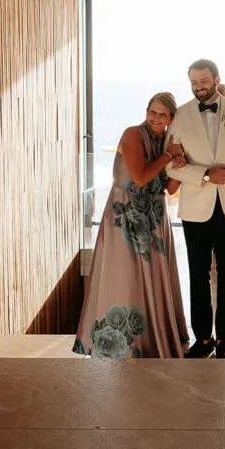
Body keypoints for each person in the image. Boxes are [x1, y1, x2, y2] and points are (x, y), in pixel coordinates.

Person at [73, 92, 189, 358]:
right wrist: (169, 157)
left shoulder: (169, 142)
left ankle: (155, 342)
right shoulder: (132, 134)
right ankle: (123, 347)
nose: (156, 118)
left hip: (156, 218)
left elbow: (170, 188)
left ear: (171, 118)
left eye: (163, 114)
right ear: (146, 110)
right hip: (125, 217)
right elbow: (139, 177)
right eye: (153, 112)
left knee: (154, 282)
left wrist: (181, 165)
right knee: (125, 280)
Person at [166, 58, 225, 359]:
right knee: (198, 274)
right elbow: (170, 165)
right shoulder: (180, 116)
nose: (199, 87)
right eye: (193, 82)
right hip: (196, 207)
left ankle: (224, 340)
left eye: (204, 81)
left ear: (217, 79)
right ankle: (203, 339)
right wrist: (205, 175)